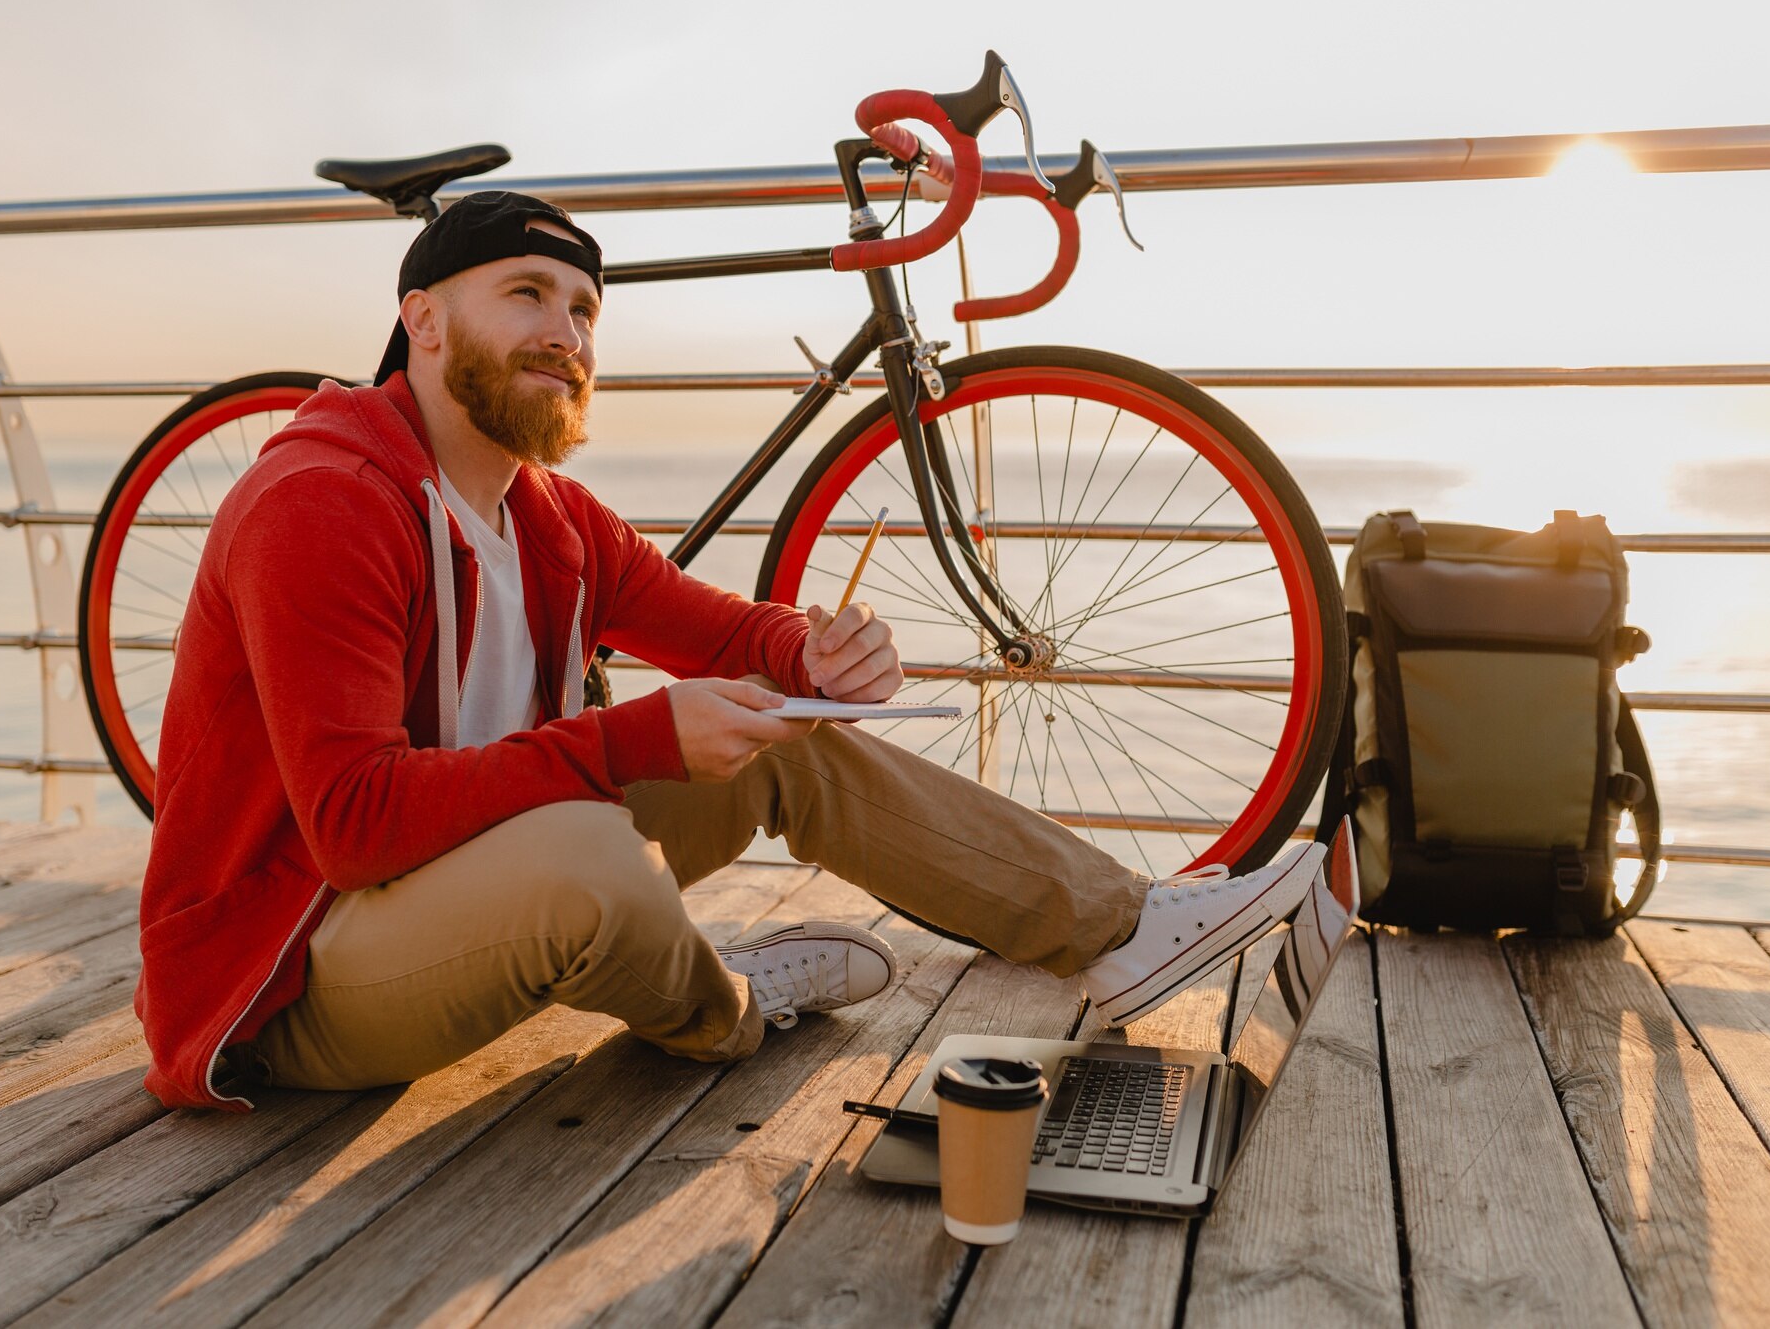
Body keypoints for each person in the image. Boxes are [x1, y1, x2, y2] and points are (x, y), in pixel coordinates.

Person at [133, 191, 1326, 1111]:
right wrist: (642, 735)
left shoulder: (543, 511)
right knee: (592, 860)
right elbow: (351, 822)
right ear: (424, 318)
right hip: (296, 972)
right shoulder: (327, 500)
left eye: (585, 311)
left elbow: (716, 629)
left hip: (460, 876)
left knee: (770, 737)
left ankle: (1117, 931)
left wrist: (816, 655)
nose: (565, 333)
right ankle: (734, 1003)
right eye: (527, 295)